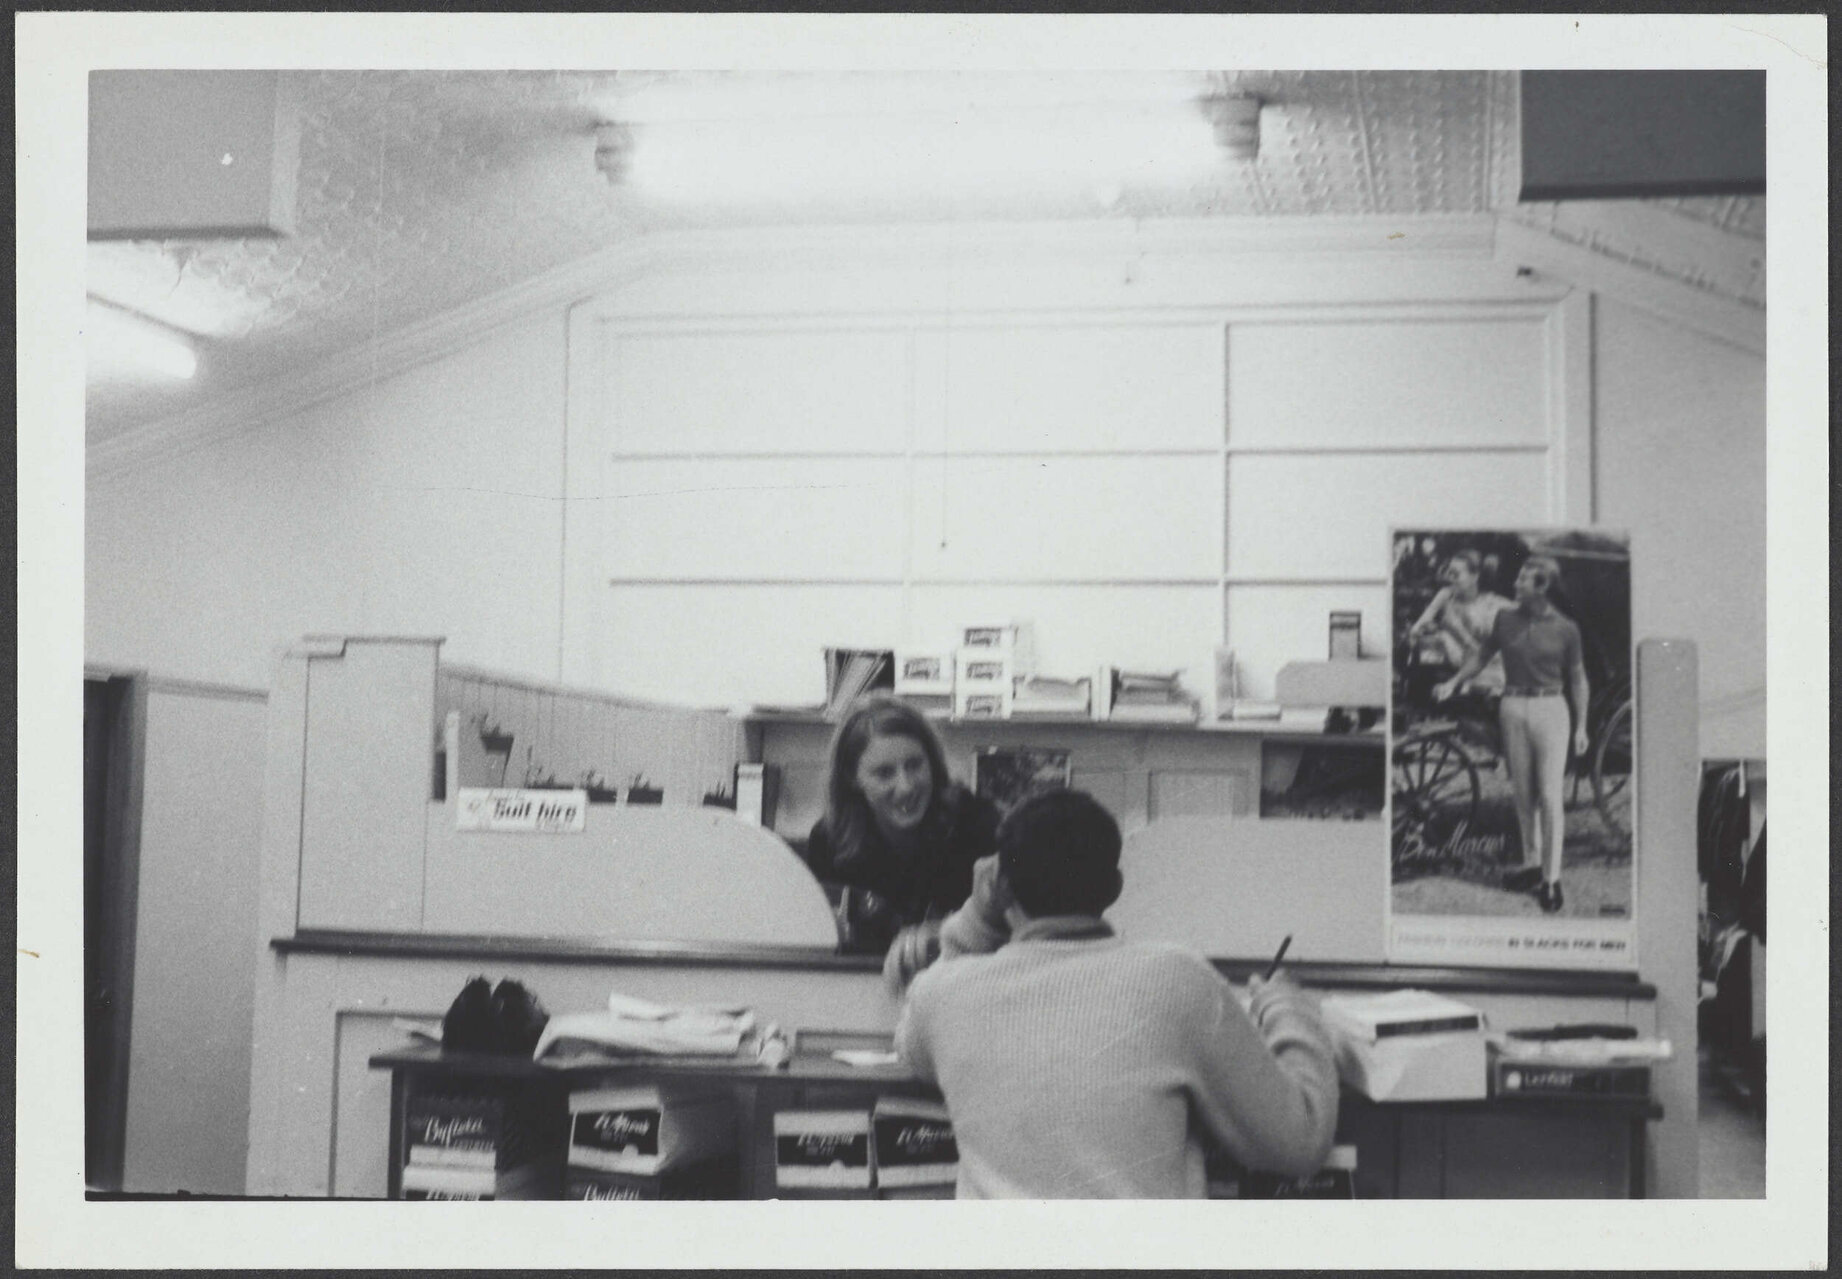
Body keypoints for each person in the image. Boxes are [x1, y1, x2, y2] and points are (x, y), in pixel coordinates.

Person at [888, 789, 1339, 1198]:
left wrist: (976, 918)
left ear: (999, 884)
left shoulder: (943, 996)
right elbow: (1299, 1143)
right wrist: (1289, 1009)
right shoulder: (1177, 979)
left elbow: (913, 1053)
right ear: (1114, 888)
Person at [1434, 554, 1590, 914]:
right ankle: (1531, 865)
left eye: (1523, 579)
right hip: (1512, 708)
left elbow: (1579, 680)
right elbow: (1481, 655)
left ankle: (1551, 880)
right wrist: (1455, 681)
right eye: (1517, 577)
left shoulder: (1567, 628)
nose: (1515, 584)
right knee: (1523, 796)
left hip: (1551, 709)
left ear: (1542, 587)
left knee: (1550, 797)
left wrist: (1581, 726)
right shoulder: (1504, 619)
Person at [801, 695, 999, 955]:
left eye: (915, 765)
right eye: (884, 773)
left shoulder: (976, 824)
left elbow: (1004, 932)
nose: (906, 787)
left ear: (933, 764)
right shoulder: (830, 842)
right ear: (852, 778)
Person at [1406, 549, 1512, 696]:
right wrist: (1425, 630)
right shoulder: (1446, 595)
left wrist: (1457, 630)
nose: (1450, 578)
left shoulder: (1491, 604)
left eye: (1456, 574)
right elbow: (1419, 626)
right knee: (1431, 643)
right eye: (1448, 572)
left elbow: (1489, 651)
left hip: (1485, 665)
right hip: (1455, 660)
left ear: (1475, 577)